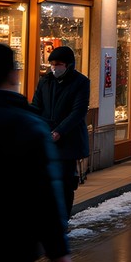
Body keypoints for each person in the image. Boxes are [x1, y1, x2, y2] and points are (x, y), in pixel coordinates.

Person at [0, 43, 71, 262]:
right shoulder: (29, 125)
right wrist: (58, 249)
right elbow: (45, 192)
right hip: (13, 240)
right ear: (13, 75)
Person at [31, 45, 90, 217]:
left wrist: (59, 131)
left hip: (67, 140)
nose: (54, 67)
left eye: (58, 64)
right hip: (46, 138)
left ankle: (62, 218)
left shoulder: (80, 82)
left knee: (65, 183)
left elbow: (78, 111)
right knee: (46, 182)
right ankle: (49, 217)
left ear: (68, 65)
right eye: (52, 64)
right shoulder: (45, 81)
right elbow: (36, 106)